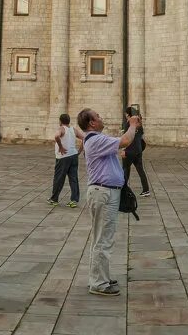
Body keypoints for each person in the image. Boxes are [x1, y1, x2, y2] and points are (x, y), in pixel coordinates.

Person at [78, 108, 138, 296]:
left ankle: (100, 276)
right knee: (103, 240)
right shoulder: (95, 140)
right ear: (91, 123)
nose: (101, 117)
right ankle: (98, 283)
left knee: (103, 238)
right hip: (103, 193)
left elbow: (120, 147)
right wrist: (133, 124)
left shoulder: (96, 139)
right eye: (98, 116)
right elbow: (125, 141)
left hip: (106, 192)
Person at [48, 113, 80, 208]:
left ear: (60, 121)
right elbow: (84, 138)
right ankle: (74, 200)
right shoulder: (73, 129)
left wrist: (61, 147)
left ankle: (54, 199)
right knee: (73, 178)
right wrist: (79, 151)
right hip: (74, 156)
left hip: (63, 157)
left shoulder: (61, 129)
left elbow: (57, 136)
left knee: (59, 178)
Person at [122, 109, 150, 197]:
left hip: (129, 150)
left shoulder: (129, 123)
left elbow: (127, 138)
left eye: (126, 114)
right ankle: (146, 190)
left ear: (128, 114)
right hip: (138, 150)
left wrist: (124, 150)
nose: (125, 116)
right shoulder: (140, 124)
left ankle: (123, 190)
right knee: (140, 170)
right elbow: (140, 136)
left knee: (125, 170)